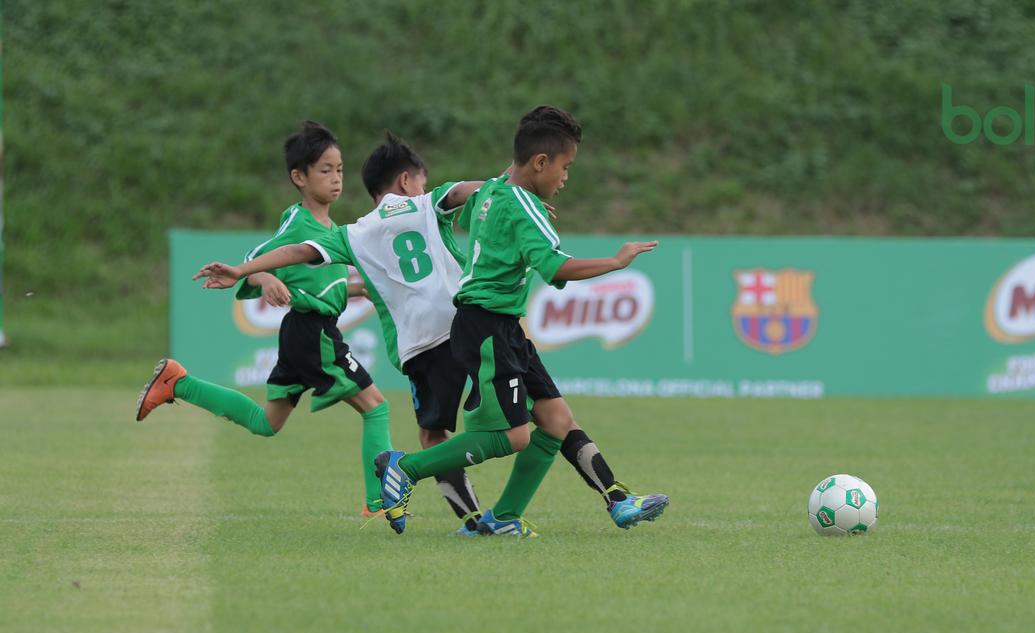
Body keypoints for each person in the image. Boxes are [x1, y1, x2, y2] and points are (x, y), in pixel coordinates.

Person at [196, 131, 668, 535]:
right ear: (407, 181)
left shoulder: (354, 233)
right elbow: (472, 189)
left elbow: (297, 252)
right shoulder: (427, 204)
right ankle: (496, 511)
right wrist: (515, 192)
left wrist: (243, 270)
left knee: (449, 430)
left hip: (423, 343)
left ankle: (496, 515)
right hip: (469, 323)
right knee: (519, 431)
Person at [375, 105, 662, 536]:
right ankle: (405, 468)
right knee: (514, 437)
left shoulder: (492, 191)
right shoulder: (521, 205)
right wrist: (617, 261)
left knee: (556, 421)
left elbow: (470, 208)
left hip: (500, 325)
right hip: (486, 327)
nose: (566, 178)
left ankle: (512, 517)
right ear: (541, 162)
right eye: (565, 167)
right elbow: (554, 267)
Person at [138, 121, 391, 516]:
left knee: (265, 423)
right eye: (325, 170)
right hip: (313, 334)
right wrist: (265, 275)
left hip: (304, 333)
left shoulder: (335, 230)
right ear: (299, 177)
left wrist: (368, 291)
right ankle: (380, 505)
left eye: (339, 169)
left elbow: (329, 287)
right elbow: (252, 263)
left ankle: (179, 383)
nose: (336, 178)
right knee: (376, 406)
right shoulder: (297, 224)